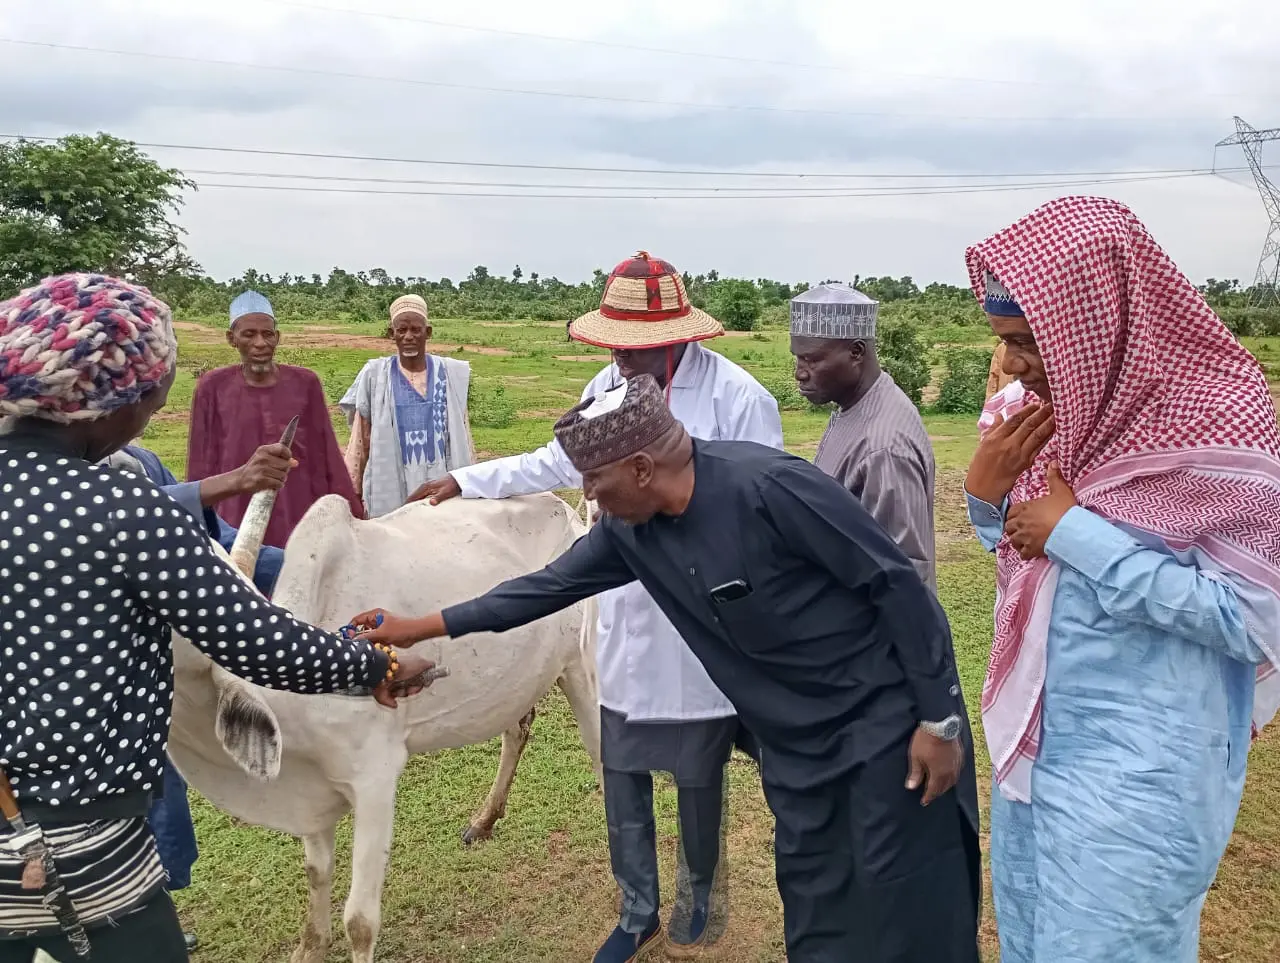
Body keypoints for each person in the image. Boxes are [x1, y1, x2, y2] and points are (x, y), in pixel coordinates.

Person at [355, 374, 980, 963]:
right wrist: (416, 626)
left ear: (643, 468)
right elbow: (540, 589)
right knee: (817, 907)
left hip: (887, 733)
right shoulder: (631, 531)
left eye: (595, 480)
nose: (588, 496)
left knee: (909, 909)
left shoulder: (769, 488)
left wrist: (940, 719)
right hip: (795, 750)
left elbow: (898, 587)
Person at [0, 274, 435, 963]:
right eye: (151, 395)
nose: (151, 413)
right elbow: (257, 640)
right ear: (113, 397)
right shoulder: (122, 511)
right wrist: (378, 663)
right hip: (84, 840)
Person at [408, 252, 783, 962]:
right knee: (624, 773)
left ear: (678, 336)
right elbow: (554, 462)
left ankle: (700, 897)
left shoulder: (738, 397)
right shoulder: (606, 386)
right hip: (622, 609)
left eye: (634, 344)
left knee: (699, 777)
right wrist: (465, 478)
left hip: (701, 625)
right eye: (613, 342)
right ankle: (637, 906)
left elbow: (762, 510)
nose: (621, 356)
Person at [962, 196, 1280, 962]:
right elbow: (1021, 561)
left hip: (1146, 774)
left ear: (1097, 325)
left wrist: (1076, 532)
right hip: (1036, 758)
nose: (1014, 365)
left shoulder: (1220, 428)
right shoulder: (1036, 411)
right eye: (1005, 343)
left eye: (1030, 342)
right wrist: (985, 495)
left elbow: (1255, 619)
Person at [100, 440, 296, 953]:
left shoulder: (138, 459)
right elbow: (113, 518)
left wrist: (303, 565)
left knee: (157, 790)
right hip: (81, 692)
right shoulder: (34, 477)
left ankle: (149, 907)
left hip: (160, 679)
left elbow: (217, 544)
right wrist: (230, 482)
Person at [186, 290, 363, 549]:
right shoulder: (212, 387)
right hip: (235, 515)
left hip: (299, 511)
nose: (260, 343)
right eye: (249, 334)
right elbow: (200, 463)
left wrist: (351, 514)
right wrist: (197, 522)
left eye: (267, 334)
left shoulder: (306, 383)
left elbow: (327, 455)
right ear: (231, 339)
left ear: (277, 338)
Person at [788, 282, 937, 589]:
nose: (800, 372)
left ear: (856, 352)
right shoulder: (857, 406)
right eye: (798, 358)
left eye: (813, 359)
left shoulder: (884, 448)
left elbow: (904, 575)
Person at [340, 294, 475, 517]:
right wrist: (352, 488)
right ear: (392, 334)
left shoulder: (451, 373)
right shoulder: (375, 375)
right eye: (401, 331)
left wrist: (469, 480)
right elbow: (360, 439)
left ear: (428, 332)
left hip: (441, 483)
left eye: (415, 330)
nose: (408, 337)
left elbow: (463, 434)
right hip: (390, 483)